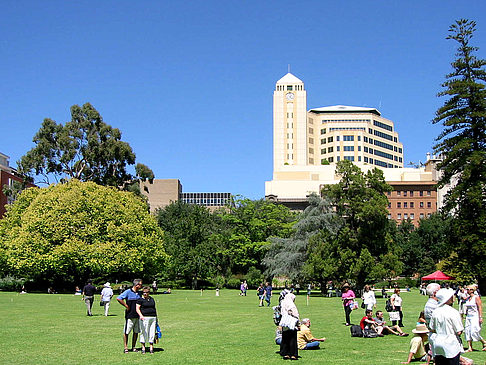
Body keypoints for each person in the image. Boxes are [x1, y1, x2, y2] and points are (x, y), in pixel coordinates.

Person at [429, 288, 464, 365]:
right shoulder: (453, 312)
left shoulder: (435, 311)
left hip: (438, 342)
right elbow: (459, 331)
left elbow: (432, 328)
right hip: (451, 344)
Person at [117, 278, 143, 353]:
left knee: (136, 332)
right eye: (140, 284)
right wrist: (126, 306)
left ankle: (133, 347)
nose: (141, 286)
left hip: (138, 316)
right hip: (130, 315)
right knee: (126, 332)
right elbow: (119, 298)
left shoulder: (139, 293)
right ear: (137, 285)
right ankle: (126, 347)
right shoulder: (128, 292)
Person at [463, 285, 486, 352]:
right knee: (467, 331)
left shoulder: (476, 297)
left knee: (474, 331)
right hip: (468, 316)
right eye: (467, 289)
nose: (467, 291)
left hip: (475, 316)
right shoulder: (468, 298)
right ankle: (470, 347)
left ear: (472, 290)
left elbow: (480, 307)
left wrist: (480, 317)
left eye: (469, 289)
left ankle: (484, 342)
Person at [136, 286, 158, 354]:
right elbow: (137, 308)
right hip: (144, 317)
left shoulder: (151, 299)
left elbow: (154, 308)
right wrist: (141, 316)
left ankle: (151, 347)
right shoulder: (140, 300)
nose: (145, 294)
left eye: (147, 292)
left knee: (152, 332)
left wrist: (156, 318)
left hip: (152, 317)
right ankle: (143, 347)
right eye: (144, 292)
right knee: (144, 332)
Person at [279, 292, 300, 360]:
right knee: (292, 339)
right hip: (291, 323)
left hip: (285, 323)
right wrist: (298, 323)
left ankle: (286, 353)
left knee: (285, 338)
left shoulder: (283, 304)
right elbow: (295, 314)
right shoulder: (291, 305)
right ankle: (293, 354)